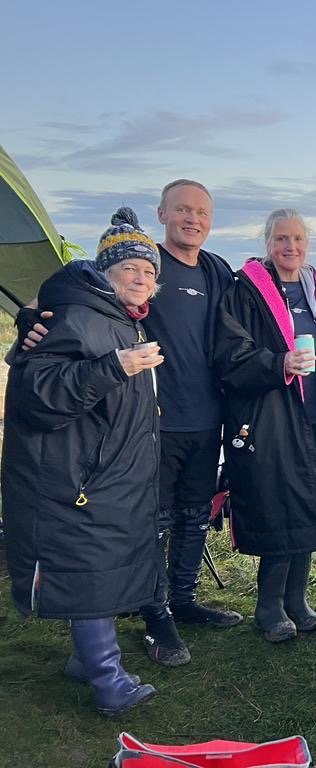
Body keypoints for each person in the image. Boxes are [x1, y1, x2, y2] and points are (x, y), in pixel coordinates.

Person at [15, 179, 240, 667]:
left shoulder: (217, 270)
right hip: (147, 423)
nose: (192, 219)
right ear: (162, 213)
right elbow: (61, 299)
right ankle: (154, 612)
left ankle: (184, 599)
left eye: (201, 212)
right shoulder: (129, 270)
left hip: (207, 418)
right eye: (182, 209)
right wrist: (26, 324)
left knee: (194, 514)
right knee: (151, 521)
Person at [2, 207, 164, 714]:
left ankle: (85, 659)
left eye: (149, 271)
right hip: (77, 475)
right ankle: (108, 680)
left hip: (106, 471)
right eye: (129, 269)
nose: (141, 278)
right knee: (90, 566)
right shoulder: (76, 317)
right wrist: (112, 368)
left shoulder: (119, 319)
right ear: (104, 273)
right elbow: (36, 396)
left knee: (99, 568)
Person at [214, 209, 316, 643]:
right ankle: (268, 605)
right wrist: (278, 363)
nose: (290, 247)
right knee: (278, 504)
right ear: (267, 243)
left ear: (308, 244)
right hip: (271, 417)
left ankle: (297, 598)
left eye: (297, 239)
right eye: (281, 239)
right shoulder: (245, 291)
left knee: (314, 500)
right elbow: (230, 356)